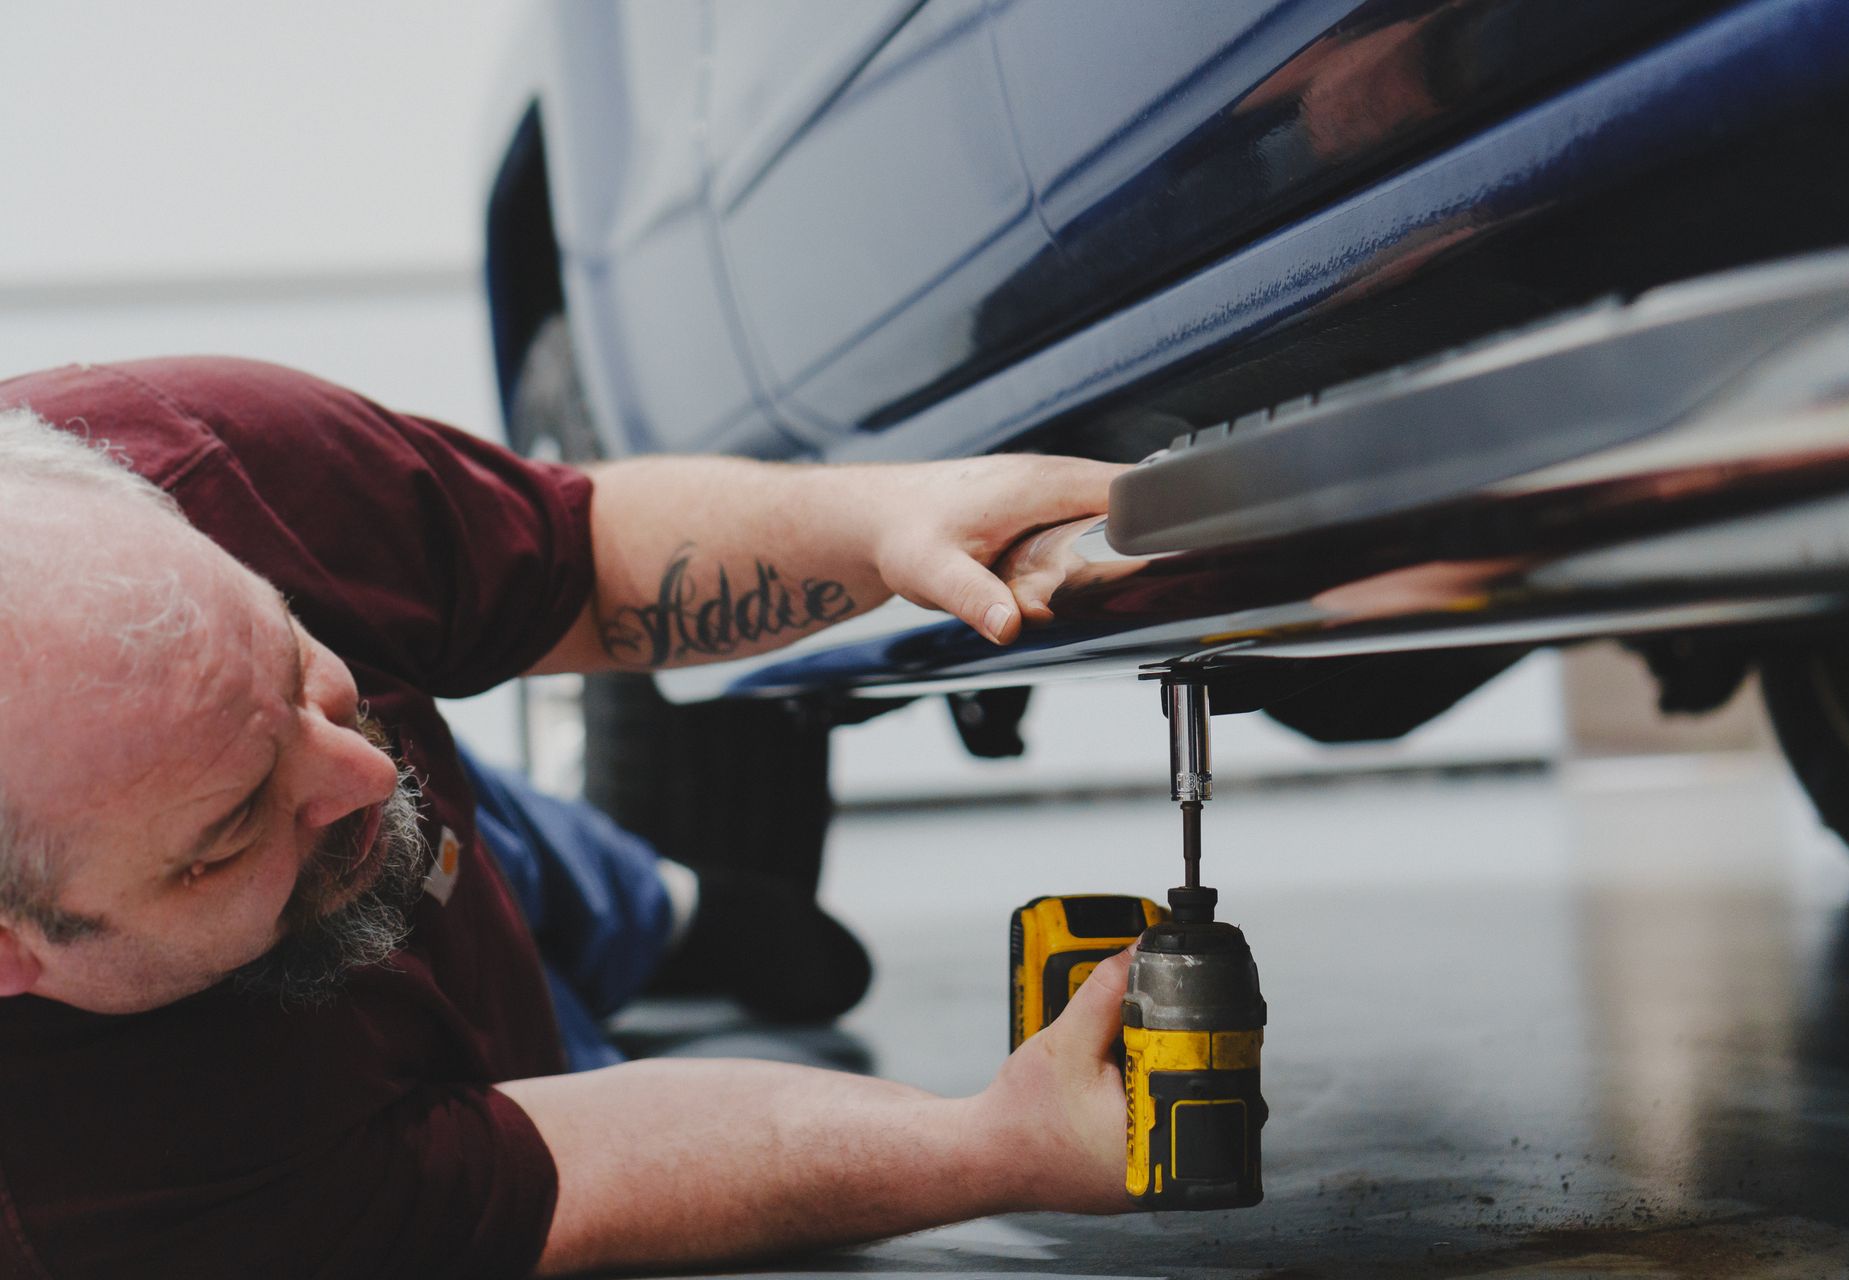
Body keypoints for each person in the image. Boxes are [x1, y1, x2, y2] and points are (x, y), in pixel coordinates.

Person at [0, 357, 1133, 1279]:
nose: (353, 763)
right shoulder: (91, 1194)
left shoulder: (203, 456)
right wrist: (994, 1142)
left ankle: (665, 905)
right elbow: (576, 1165)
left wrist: (880, 521)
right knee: (537, 1014)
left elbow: (577, 557)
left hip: (470, 864)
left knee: (487, 837)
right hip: (440, 1086)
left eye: (296, 650)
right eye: (235, 820)